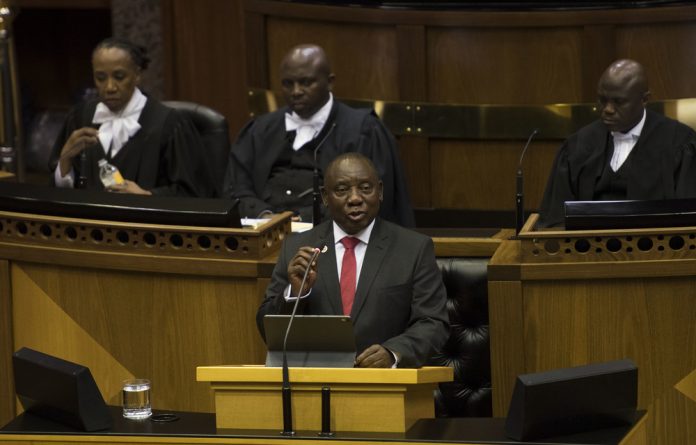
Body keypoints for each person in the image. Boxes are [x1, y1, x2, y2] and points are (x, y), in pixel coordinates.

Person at [256, 153, 448, 368]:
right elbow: (267, 329)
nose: (355, 198)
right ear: (325, 197)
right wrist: (294, 293)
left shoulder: (413, 248)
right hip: (316, 380)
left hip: (385, 382)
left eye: (365, 188)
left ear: (380, 191)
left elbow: (433, 322)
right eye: (342, 190)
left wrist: (393, 353)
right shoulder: (297, 247)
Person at [223, 44, 415, 226]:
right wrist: (265, 216)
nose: (296, 91)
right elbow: (236, 187)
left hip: (331, 235)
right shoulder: (259, 130)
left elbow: (370, 198)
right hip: (261, 231)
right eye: (288, 84)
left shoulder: (364, 130)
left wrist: (302, 219)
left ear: (329, 82)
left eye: (306, 82)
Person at [538, 59, 696, 227]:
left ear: (644, 99)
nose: (608, 109)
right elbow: (555, 219)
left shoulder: (678, 143)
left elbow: (689, 219)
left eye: (619, 102)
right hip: (587, 242)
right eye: (602, 100)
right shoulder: (577, 145)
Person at [49, 37, 214, 197]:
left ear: (137, 75)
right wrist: (65, 162)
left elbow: (195, 193)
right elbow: (63, 195)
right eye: (100, 78)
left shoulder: (170, 124)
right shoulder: (80, 118)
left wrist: (148, 196)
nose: (110, 87)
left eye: (119, 77)